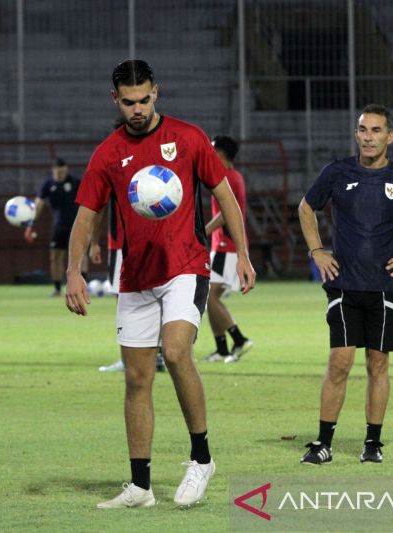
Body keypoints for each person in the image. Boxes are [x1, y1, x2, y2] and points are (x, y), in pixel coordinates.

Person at [65, 60, 255, 509]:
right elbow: (85, 217)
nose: (137, 108)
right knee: (136, 379)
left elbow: (224, 195)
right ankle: (140, 487)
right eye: (128, 101)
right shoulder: (107, 154)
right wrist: (73, 271)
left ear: (157, 93)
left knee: (174, 351)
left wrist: (243, 254)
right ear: (116, 100)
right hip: (136, 278)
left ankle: (201, 458)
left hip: (185, 266)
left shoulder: (188, 138)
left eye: (144, 99)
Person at [298, 104, 393, 465]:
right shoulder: (337, 172)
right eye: (363, 130)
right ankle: (323, 442)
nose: (368, 137)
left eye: (376, 131)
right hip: (344, 285)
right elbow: (306, 207)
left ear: (389, 137)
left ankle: (372, 443)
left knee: (378, 365)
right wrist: (317, 250)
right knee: (340, 362)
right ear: (356, 134)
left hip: (386, 288)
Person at [93, 203, 166, 373]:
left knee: (123, 300)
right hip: (153, 239)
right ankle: (158, 355)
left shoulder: (114, 175)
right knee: (155, 296)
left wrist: (95, 241)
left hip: (122, 244)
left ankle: (129, 360)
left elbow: (99, 207)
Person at [202, 136, 253, 363]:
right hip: (223, 246)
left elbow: (225, 214)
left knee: (210, 298)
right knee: (209, 298)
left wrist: (203, 231)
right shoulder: (233, 176)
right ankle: (222, 349)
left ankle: (239, 339)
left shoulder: (228, 178)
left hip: (226, 246)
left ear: (220, 154)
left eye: (212, 150)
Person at [25, 158, 84, 296]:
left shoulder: (75, 182)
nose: (61, 174)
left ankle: (82, 286)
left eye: (63, 172)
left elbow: (86, 200)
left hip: (77, 225)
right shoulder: (48, 185)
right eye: (58, 172)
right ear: (53, 170)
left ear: (67, 170)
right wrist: (31, 224)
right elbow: (38, 204)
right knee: (56, 257)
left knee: (80, 257)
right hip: (58, 226)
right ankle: (58, 288)